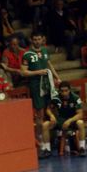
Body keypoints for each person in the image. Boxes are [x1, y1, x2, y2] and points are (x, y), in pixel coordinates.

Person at [20, 31, 61, 159]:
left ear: (42, 39)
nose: (38, 41)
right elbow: (23, 72)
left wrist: (57, 77)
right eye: (35, 39)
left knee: (52, 108)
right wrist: (39, 72)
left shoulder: (44, 50)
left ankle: (52, 139)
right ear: (32, 40)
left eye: (39, 39)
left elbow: (49, 64)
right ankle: (41, 143)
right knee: (40, 114)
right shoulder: (27, 55)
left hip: (47, 84)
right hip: (36, 86)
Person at [50, 80, 87, 156]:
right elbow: (48, 109)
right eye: (62, 91)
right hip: (61, 120)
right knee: (45, 125)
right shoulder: (56, 98)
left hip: (72, 119)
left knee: (81, 123)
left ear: (69, 90)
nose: (64, 93)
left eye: (66, 91)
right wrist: (51, 115)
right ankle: (46, 149)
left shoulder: (75, 98)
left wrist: (69, 120)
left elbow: (80, 114)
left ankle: (82, 148)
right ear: (59, 91)